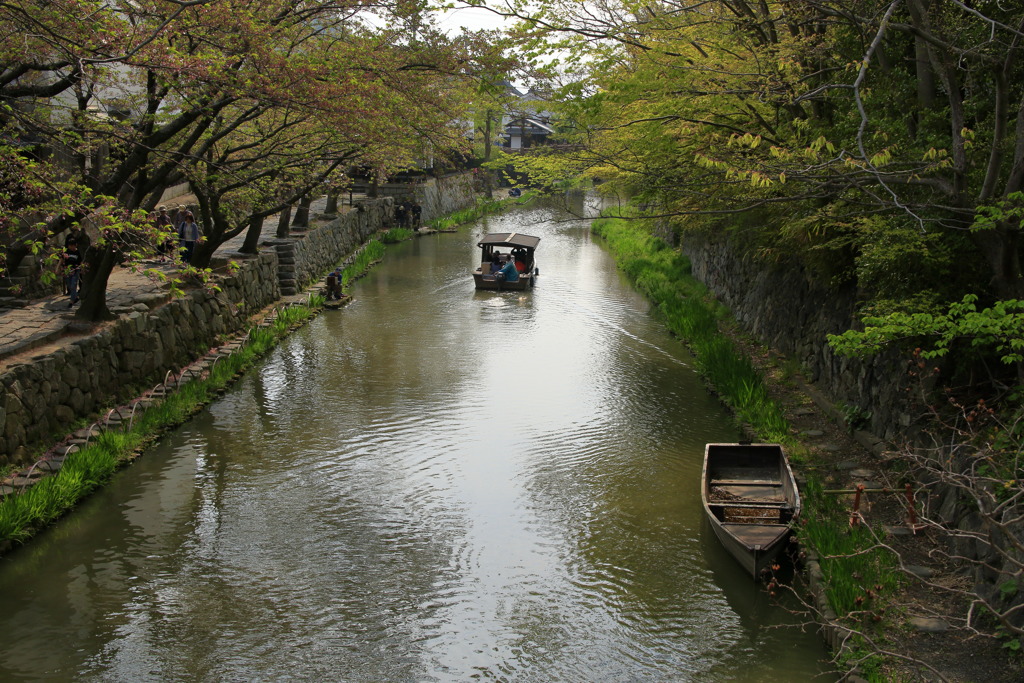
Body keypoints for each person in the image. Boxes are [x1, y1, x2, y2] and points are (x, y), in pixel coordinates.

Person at [63, 241, 82, 307]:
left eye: (72, 246)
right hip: (67, 271)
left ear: (75, 245)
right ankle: (76, 297)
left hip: (75, 270)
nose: (71, 247)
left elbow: (80, 262)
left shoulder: (78, 252)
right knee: (69, 285)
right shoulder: (67, 252)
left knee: (73, 285)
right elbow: (63, 260)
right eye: (69, 246)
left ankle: (71, 301)